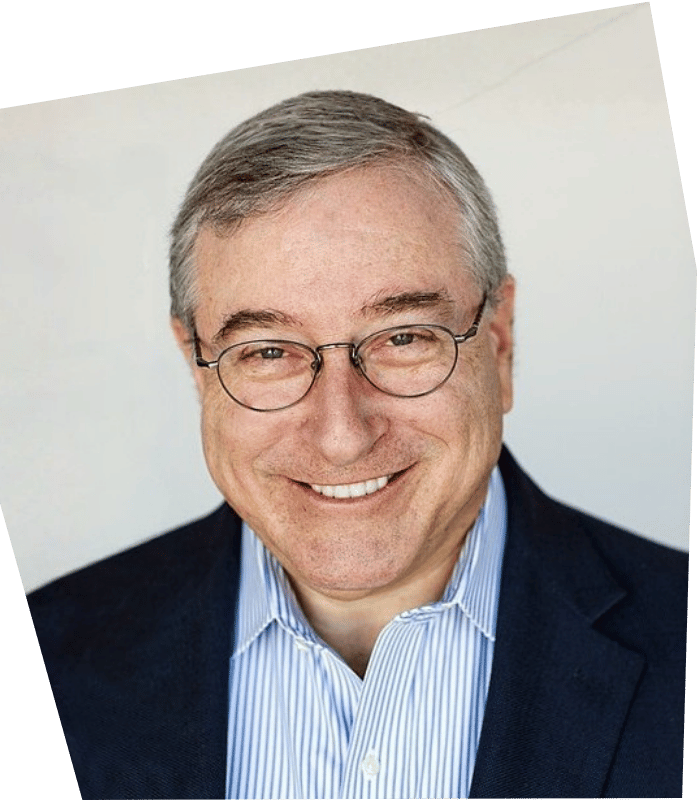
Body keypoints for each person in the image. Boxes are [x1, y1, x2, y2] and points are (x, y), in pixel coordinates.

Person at [27, 90, 686, 800]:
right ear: (196, 365)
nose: (342, 434)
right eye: (269, 351)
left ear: (499, 342)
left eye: (404, 337)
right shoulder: (58, 656)